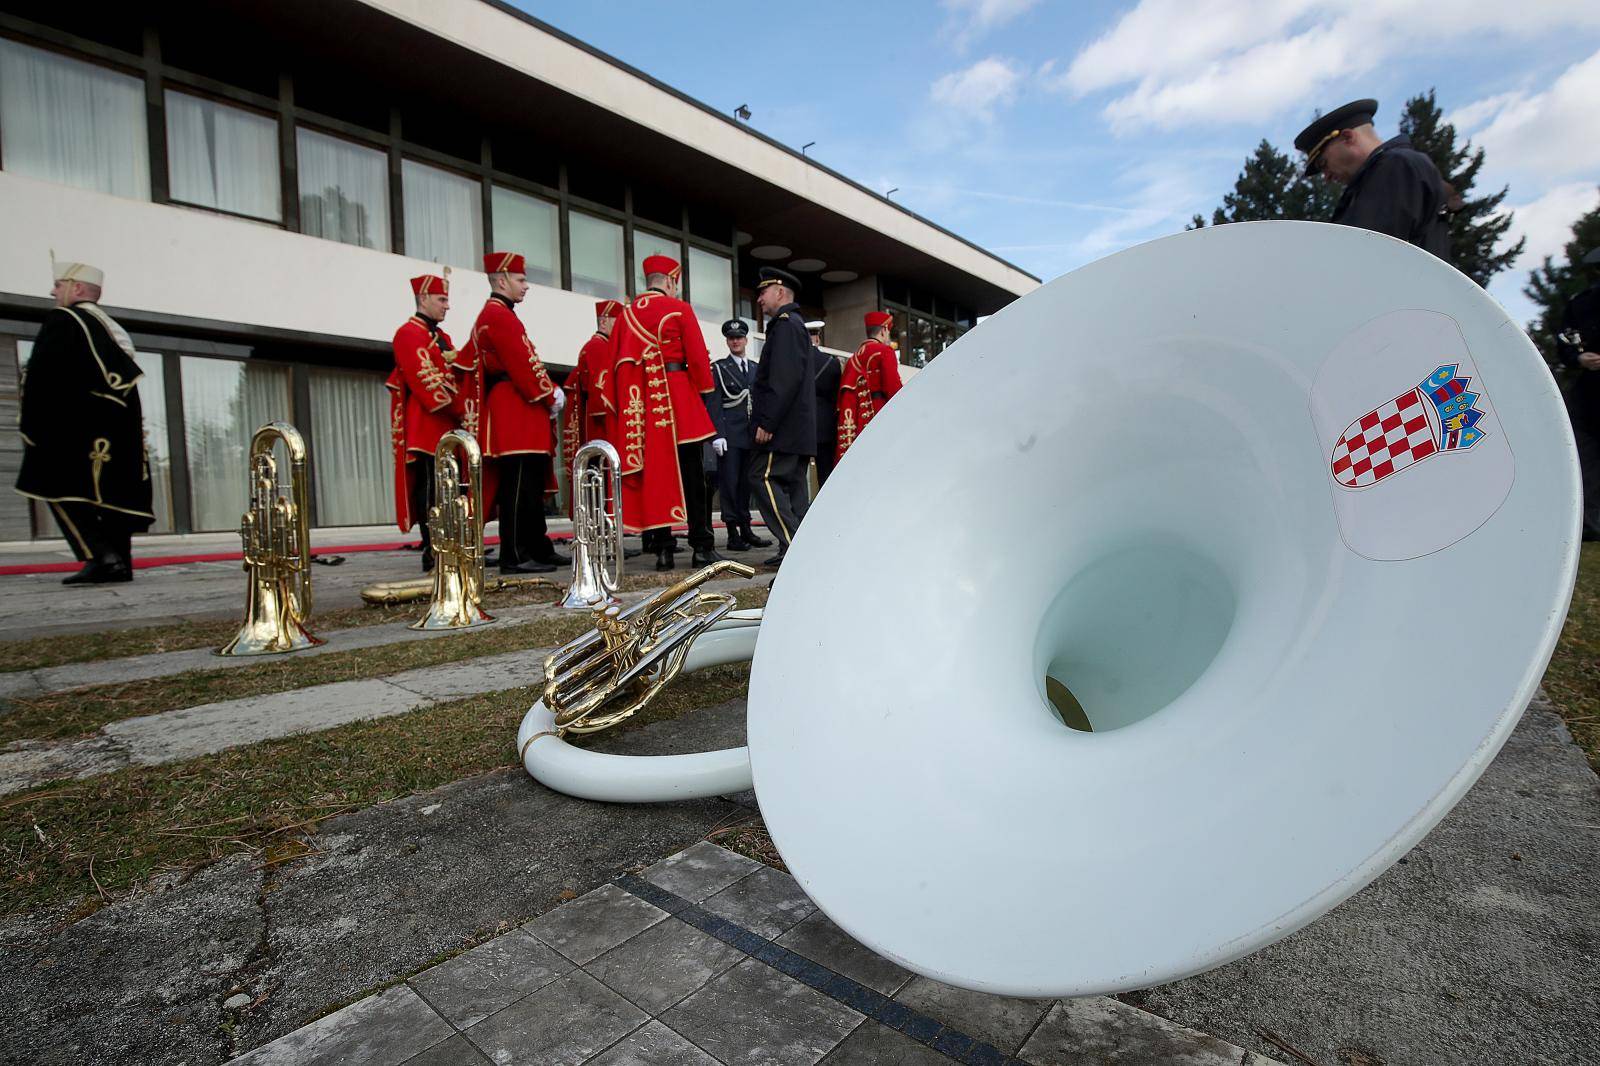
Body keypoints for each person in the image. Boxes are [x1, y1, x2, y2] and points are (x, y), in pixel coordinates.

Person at [15, 258, 153, 584]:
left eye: (59, 285)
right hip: (120, 424)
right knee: (111, 493)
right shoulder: (110, 326)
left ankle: (102, 556)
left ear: (76, 289)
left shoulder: (65, 318)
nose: (53, 291)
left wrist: (34, 422)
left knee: (50, 480)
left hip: (75, 425)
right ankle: (120, 563)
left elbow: (44, 375)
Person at [607, 254, 722, 570]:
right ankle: (701, 546)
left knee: (655, 477)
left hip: (642, 406)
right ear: (671, 281)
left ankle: (663, 550)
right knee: (694, 477)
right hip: (678, 398)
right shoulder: (680, 308)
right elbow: (698, 359)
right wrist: (703, 392)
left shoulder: (626, 315)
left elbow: (613, 366)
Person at [472, 251, 567, 574]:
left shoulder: (502, 314)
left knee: (530, 485)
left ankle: (538, 547)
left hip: (520, 408)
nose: (526, 286)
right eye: (521, 279)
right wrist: (548, 392)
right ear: (501, 280)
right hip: (513, 408)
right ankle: (513, 555)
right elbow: (522, 364)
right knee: (517, 485)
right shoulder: (498, 315)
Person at [387, 271, 472, 572]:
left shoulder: (440, 337)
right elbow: (429, 383)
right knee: (433, 492)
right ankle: (434, 549)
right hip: (427, 426)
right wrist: (462, 408)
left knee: (454, 489)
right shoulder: (408, 333)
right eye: (441, 299)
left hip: (447, 426)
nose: (447, 306)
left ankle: (455, 544)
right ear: (423, 299)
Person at [1294, 98, 1451, 261]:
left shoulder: (1394, 167)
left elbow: (1362, 254)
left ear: (1348, 137)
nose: (1326, 177)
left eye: (1323, 163)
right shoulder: (1388, 171)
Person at [748, 267, 817, 568]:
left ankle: (796, 550)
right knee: (795, 493)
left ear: (779, 292)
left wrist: (767, 422)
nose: (760, 299)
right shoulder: (792, 325)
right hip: (796, 432)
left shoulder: (787, 326)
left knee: (761, 477)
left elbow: (783, 380)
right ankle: (805, 551)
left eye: (763, 292)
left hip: (784, 431)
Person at [708, 319, 771, 552]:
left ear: (746, 340)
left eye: (739, 337)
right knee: (730, 484)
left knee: (746, 484)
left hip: (751, 437)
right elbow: (714, 403)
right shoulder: (720, 368)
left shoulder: (755, 368)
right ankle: (733, 532)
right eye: (731, 338)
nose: (736, 341)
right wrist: (717, 435)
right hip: (730, 437)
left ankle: (746, 528)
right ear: (727, 341)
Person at [1557, 248, 1600, 541]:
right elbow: (1565, 339)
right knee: (1585, 453)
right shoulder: (1581, 303)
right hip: (1591, 390)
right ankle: (1591, 522)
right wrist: (1578, 358)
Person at [836, 311, 904, 464]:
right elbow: (894, 390)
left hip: (857, 426)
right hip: (880, 420)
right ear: (883, 330)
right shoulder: (884, 351)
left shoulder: (854, 357)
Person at [807, 320, 841, 488]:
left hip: (801, 425)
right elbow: (836, 397)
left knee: (798, 476)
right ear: (817, 338)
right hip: (825, 425)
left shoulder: (794, 362)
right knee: (826, 474)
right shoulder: (832, 362)